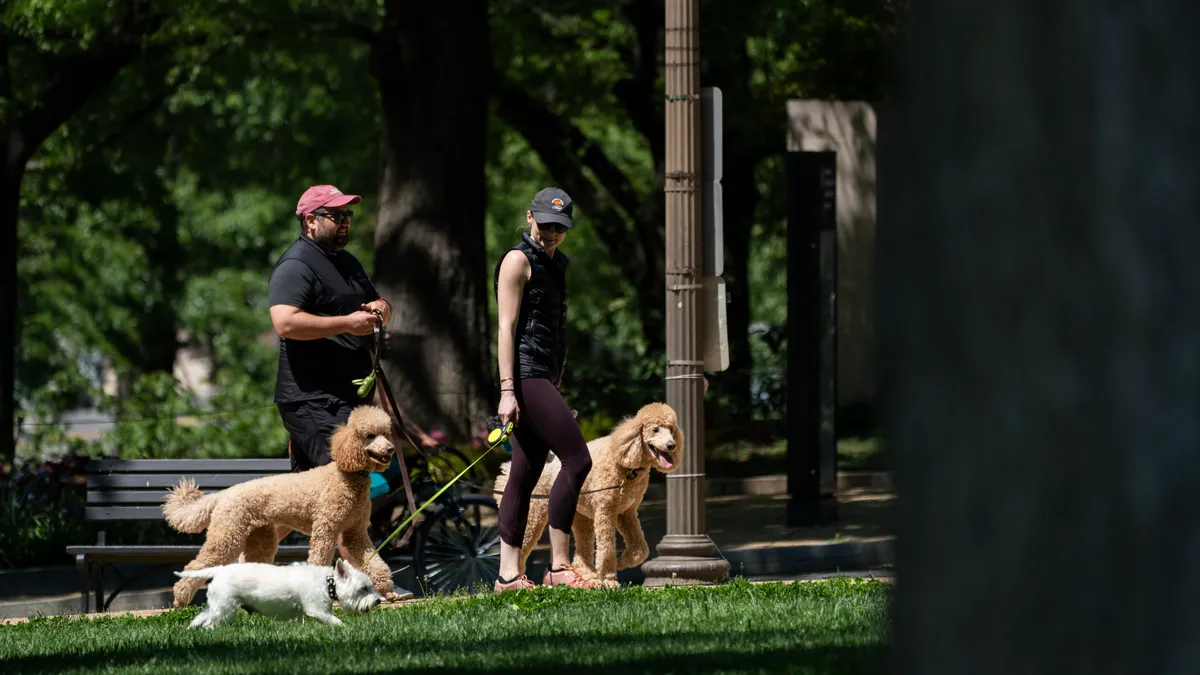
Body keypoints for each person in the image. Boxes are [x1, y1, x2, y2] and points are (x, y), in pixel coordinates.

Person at [492, 187, 598, 591]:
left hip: (544, 377)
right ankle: (557, 566)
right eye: (547, 224)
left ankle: (507, 576)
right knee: (578, 460)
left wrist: (556, 387)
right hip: (525, 376)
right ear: (529, 217)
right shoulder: (518, 261)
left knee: (526, 469)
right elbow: (506, 329)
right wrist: (507, 391)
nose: (553, 232)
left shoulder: (557, 264)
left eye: (561, 227)